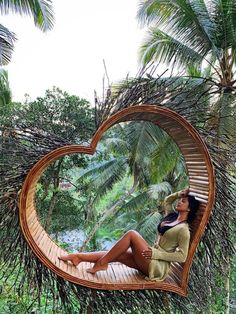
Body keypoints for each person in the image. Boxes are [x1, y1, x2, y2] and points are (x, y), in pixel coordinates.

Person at [58, 188, 200, 281]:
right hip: (149, 259)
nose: (180, 201)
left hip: (156, 265)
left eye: (184, 201)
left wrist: (157, 255)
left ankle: (102, 263)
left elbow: (182, 256)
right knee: (116, 254)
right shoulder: (172, 216)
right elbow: (168, 200)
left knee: (132, 234)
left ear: (189, 208)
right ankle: (78, 257)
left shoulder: (183, 230)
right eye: (181, 199)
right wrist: (179, 194)